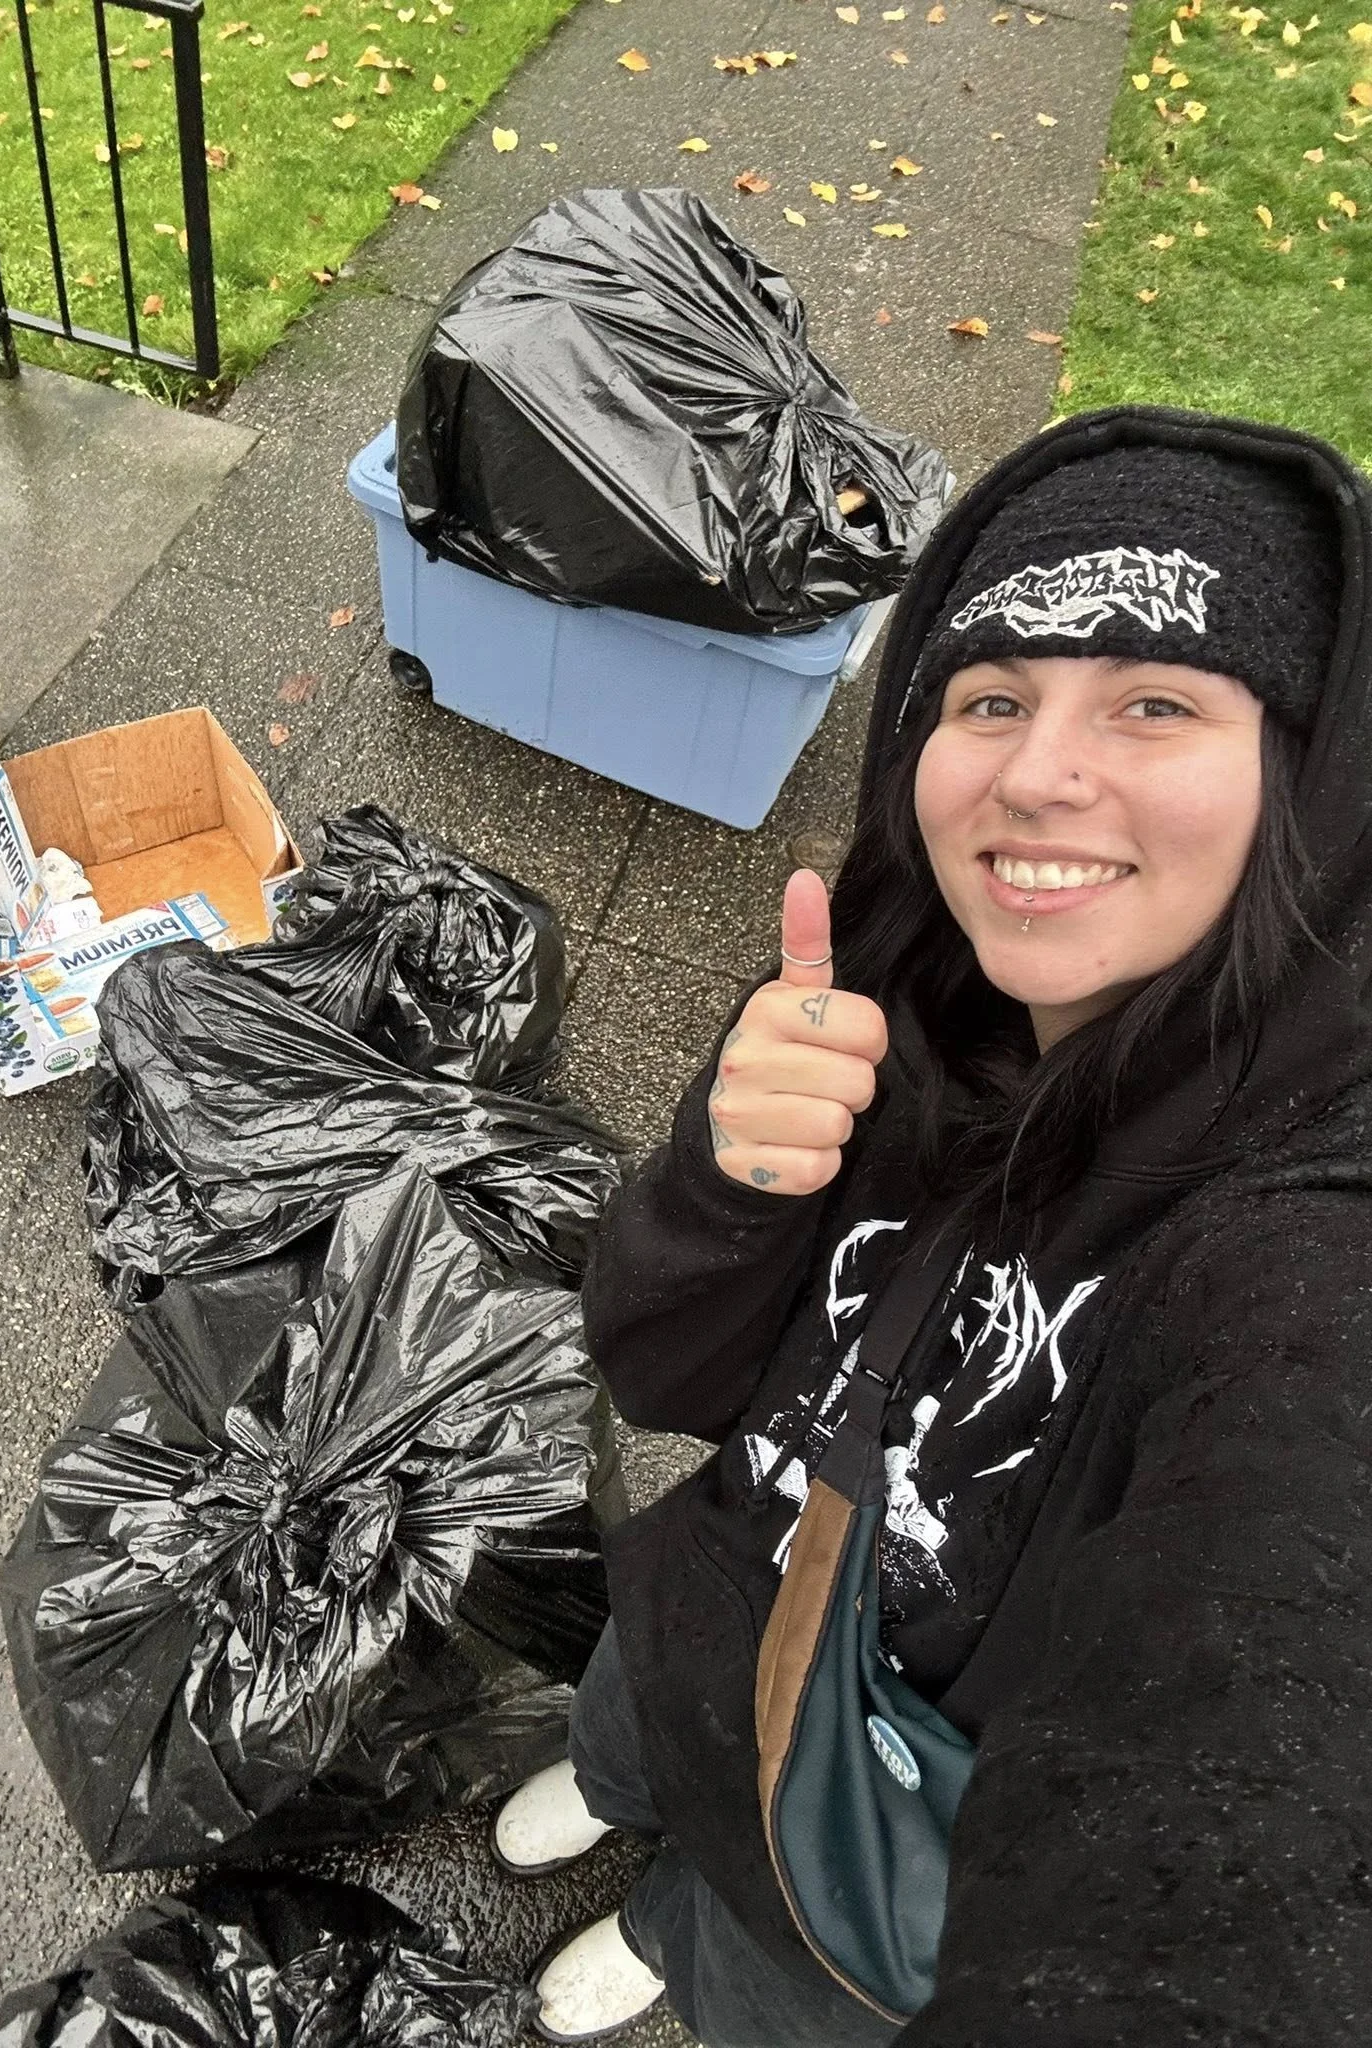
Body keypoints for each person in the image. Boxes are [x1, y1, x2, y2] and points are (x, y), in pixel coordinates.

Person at [496, 405, 1372, 2045]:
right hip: (697, 1622)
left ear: (1313, 776)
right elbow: (655, 1371)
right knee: (631, 1730)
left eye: (1157, 702)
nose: (1041, 772)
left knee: (736, 1958)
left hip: (869, 1857)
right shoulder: (882, 1007)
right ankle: (627, 1802)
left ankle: (676, 1930)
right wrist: (728, 1179)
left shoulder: (1298, 1247)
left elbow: (1259, 1755)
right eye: (991, 697)